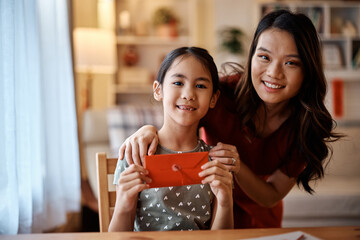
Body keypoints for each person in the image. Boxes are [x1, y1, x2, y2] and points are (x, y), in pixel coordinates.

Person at [117, 10, 342, 228]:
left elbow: (271, 196)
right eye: (264, 57)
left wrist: (235, 165)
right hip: (203, 213)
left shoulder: (307, 126)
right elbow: (181, 113)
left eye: (291, 63)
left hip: (260, 219)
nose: (274, 73)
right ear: (251, 57)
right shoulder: (223, 94)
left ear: (308, 70)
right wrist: (148, 129)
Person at [108, 47, 234, 232]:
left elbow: (223, 238)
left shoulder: (215, 162)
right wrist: (124, 204)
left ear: (213, 98)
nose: (188, 94)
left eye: (200, 86)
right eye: (178, 82)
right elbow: (116, 237)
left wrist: (225, 202)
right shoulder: (135, 152)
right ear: (158, 90)